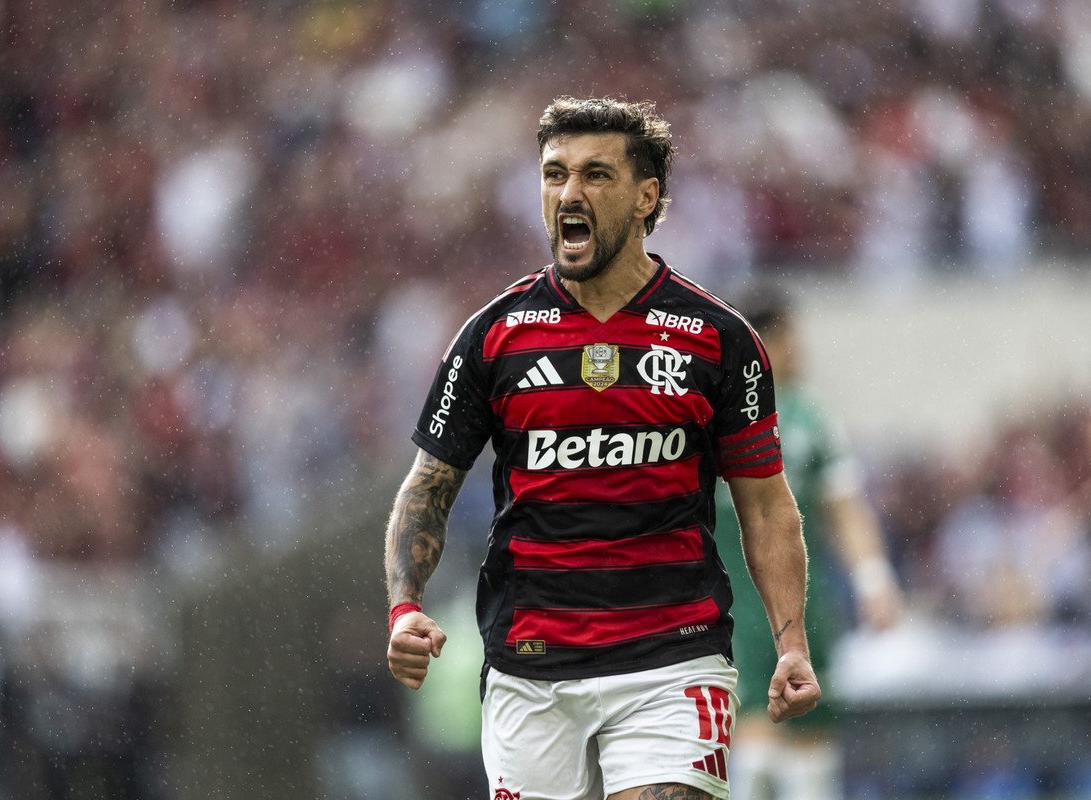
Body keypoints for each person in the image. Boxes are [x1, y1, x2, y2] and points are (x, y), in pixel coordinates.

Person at [384, 96, 821, 800]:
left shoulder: (720, 339)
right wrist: (405, 605)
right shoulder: (494, 336)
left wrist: (790, 642)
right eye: (554, 174)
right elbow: (428, 486)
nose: (569, 193)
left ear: (646, 197)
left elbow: (767, 506)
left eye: (595, 174)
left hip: (673, 658)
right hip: (531, 665)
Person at [714, 290, 902, 800]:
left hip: (804, 602)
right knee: (749, 748)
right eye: (792, 338)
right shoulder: (711, 412)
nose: (801, 350)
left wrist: (874, 580)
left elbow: (844, 507)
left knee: (810, 743)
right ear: (765, 342)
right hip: (730, 604)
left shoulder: (810, 417)